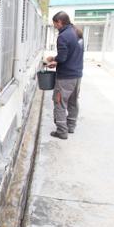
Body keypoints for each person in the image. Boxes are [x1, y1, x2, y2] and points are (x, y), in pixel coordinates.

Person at [45, 11, 84, 139]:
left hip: (66, 76)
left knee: (59, 102)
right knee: (73, 101)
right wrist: (57, 61)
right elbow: (72, 54)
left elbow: (62, 57)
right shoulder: (77, 32)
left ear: (60, 22)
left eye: (55, 23)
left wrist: (53, 60)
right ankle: (71, 126)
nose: (55, 26)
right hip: (77, 74)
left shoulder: (63, 36)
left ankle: (62, 131)